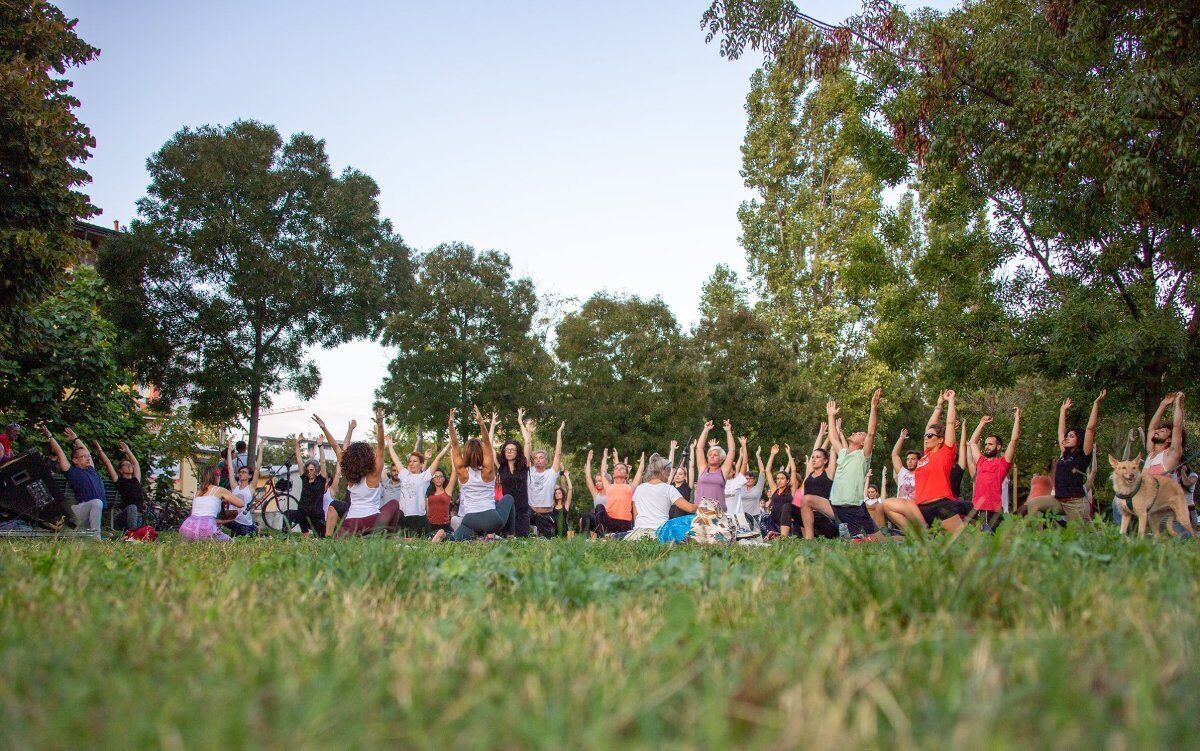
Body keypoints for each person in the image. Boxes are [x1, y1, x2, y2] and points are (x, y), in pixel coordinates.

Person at [799, 390, 884, 540]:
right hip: (835, 506)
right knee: (806, 500)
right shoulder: (843, 453)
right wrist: (831, 415)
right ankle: (809, 540)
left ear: (863, 442)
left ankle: (905, 539)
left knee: (880, 541)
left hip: (854, 509)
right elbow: (833, 438)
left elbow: (871, 433)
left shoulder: (863, 456)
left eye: (860, 434)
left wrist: (873, 407)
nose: (856, 432)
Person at [433, 406, 515, 542]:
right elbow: (487, 443)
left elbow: (455, 445)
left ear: (466, 453)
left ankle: (444, 535)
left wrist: (451, 426)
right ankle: (510, 536)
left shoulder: (462, 472)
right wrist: (482, 424)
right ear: (481, 453)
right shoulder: (488, 471)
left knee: (454, 540)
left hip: (470, 520)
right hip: (491, 519)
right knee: (508, 498)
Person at [1021, 391, 1105, 523]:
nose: (1066, 438)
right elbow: (1060, 432)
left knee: (1077, 534)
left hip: (1076, 504)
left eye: (1071, 436)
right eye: (1067, 436)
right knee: (1033, 503)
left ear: (1079, 439)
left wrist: (1096, 404)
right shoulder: (1065, 452)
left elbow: (1090, 429)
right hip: (1059, 501)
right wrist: (1062, 411)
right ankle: (1037, 535)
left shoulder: (1083, 455)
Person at [315, 409, 401, 536]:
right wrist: (380, 425)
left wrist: (324, 428)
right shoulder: (374, 475)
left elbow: (336, 447)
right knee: (394, 504)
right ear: (368, 457)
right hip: (372, 521)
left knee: (339, 539)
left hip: (351, 522)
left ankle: (353, 536)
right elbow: (381, 446)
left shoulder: (350, 476)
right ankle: (389, 535)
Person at [913, 390, 972, 533]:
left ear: (940, 440)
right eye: (925, 436)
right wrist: (939, 406)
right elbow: (929, 427)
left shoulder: (945, 452)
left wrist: (950, 400)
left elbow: (950, 424)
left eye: (930, 436)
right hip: (921, 508)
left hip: (941, 505)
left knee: (962, 541)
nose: (926, 438)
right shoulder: (926, 455)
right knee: (889, 505)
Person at [39, 425, 104, 532]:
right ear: (75, 460)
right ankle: (96, 536)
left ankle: (90, 533)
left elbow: (86, 451)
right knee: (97, 502)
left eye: (88, 456)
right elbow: (60, 452)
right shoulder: (71, 471)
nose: (88, 458)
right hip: (80, 511)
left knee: (97, 503)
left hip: (94, 512)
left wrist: (76, 439)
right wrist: (50, 437)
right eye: (83, 457)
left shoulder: (91, 469)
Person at [967, 408, 1020, 531]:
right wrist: (981, 423)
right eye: (986, 444)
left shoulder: (1002, 463)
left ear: (999, 447)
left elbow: (1014, 440)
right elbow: (973, 442)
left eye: (990, 444)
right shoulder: (981, 461)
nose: (987, 447)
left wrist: (1017, 419)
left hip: (991, 509)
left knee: (988, 537)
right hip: (976, 508)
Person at [387, 436, 450, 535]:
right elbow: (396, 460)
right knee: (402, 541)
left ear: (421, 464)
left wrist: (449, 443)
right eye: (410, 461)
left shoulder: (424, 477)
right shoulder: (404, 474)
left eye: (415, 461)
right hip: (403, 517)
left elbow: (438, 459)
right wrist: (390, 446)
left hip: (419, 518)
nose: (411, 463)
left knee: (418, 541)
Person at [627, 453, 696, 540]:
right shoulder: (669, 489)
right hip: (659, 534)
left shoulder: (639, 488)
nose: (669, 475)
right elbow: (690, 508)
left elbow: (636, 516)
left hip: (638, 534)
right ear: (662, 471)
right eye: (669, 472)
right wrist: (705, 506)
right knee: (689, 519)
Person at [520, 411, 565, 538]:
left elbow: (558, 454)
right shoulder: (529, 471)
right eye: (536, 458)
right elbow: (526, 450)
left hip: (546, 514)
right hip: (530, 512)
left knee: (546, 542)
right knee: (523, 539)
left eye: (541, 458)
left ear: (546, 461)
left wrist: (559, 433)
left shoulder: (551, 473)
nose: (538, 460)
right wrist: (528, 432)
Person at [792, 423, 840, 539]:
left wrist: (835, 431)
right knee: (787, 507)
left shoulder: (829, 472)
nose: (814, 459)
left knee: (807, 498)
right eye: (813, 457)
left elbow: (833, 449)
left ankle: (809, 538)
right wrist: (821, 434)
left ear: (825, 461)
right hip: (809, 514)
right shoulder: (809, 473)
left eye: (818, 457)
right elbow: (815, 449)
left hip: (825, 516)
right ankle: (786, 536)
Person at [583, 451, 643, 537]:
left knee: (623, 536)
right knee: (599, 506)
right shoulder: (608, 487)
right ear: (613, 475)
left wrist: (642, 461)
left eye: (622, 468)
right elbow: (603, 471)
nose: (619, 469)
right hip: (610, 521)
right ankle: (601, 537)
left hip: (624, 523)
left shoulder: (630, 487)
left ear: (626, 475)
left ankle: (616, 536)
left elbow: (639, 472)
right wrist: (604, 456)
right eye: (616, 468)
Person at [179, 464, 245, 542]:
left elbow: (200, 518)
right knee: (231, 542)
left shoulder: (197, 493)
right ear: (217, 477)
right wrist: (232, 498)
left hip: (187, 528)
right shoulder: (219, 490)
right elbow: (241, 504)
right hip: (207, 530)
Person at [880, 429, 926, 531]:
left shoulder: (922, 473)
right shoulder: (902, 472)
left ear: (919, 461)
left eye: (913, 459)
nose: (909, 461)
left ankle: (920, 532)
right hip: (900, 508)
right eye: (908, 459)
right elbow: (894, 455)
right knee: (882, 506)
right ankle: (907, 533)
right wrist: (901, 438)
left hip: (916, 509)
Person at [94, 439, 144, 532]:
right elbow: (108, 463)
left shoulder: (136, 480)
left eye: (130, 464)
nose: (129, 466)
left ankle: (132, 533)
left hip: (138, 517)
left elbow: (135, 463)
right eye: (126, 465)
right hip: (124, 517)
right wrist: (100, 450)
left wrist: (127, 450)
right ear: (120, 470)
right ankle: (132, 534)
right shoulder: (119, 480)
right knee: (132, 507)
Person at [286, 433, 328, 536]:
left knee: (321, 538)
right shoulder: (305, 479)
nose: (309, 472)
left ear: (316, 470)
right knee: (287, 513)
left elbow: (323, 462)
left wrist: (320, 445)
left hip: (316, 517)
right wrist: (297, 443)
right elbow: (299, 461)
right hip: (303, 515)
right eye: (308, 470)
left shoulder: (321, 480)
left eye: (312, 470)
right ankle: (284, 537)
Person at [693, 419, 738, 510]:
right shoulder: (703, 468)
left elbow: (732, 451)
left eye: (715, 455)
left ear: (721, 459)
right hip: (700, 512)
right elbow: (699, 448)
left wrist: (728, 431)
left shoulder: (723, 471)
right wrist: (706, 430)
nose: (712, 456)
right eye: (710, 455)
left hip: (718, 513)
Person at [497, 430, 533, 537]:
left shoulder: (523, 466)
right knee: (507, 538)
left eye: (512, 450)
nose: (509, 451)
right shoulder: (501, 467)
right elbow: (488, 445)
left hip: (522, 510)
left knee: (522, 539)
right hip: (508, 509)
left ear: (517, 452)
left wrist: (524, 427)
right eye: (507, 449)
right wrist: (492, 426)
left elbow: (527, 443)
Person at [224, 438, 262, 537]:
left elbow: (257, 469)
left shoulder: (251, 488)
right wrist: (229, 451)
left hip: (245, 524)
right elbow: (230, 469)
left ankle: (255, 529)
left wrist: (261, 450)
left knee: (244, 538)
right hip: (234, 521)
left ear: (250, 476)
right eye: (240, 472)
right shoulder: (235, 487)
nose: (241, 474)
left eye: (244, 472)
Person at [1145, 392, 1186, 477]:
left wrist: (1177, 402)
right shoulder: (1151, 452)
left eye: (1162, 431)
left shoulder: (1171, 455)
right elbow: (1152, 428)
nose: (1157, 431)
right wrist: (1163, 404)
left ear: (1169, 439)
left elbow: (1177, 426)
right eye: (1159, 430)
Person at [764, 445, 796, 537]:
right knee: (763, 517)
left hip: (786, 523)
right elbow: (767, 471)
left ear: (787, 480)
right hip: (773, 522)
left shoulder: (791, 490)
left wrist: (789, 453)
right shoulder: (775, 489)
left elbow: (793, 470)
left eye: (782, 478)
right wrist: (772, 454)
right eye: (777, 478)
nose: (779, 480)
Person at [426, 464, 456, 537]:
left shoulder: (447, 491)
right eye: (435, 476)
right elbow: (427, 512)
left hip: (445, 526)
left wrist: (452, 456)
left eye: (440, 476)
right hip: (431, 526)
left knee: (443, 536)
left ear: (444, 479)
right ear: (432, 480)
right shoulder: (429, 493)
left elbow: (454, 471)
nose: (438, 478)